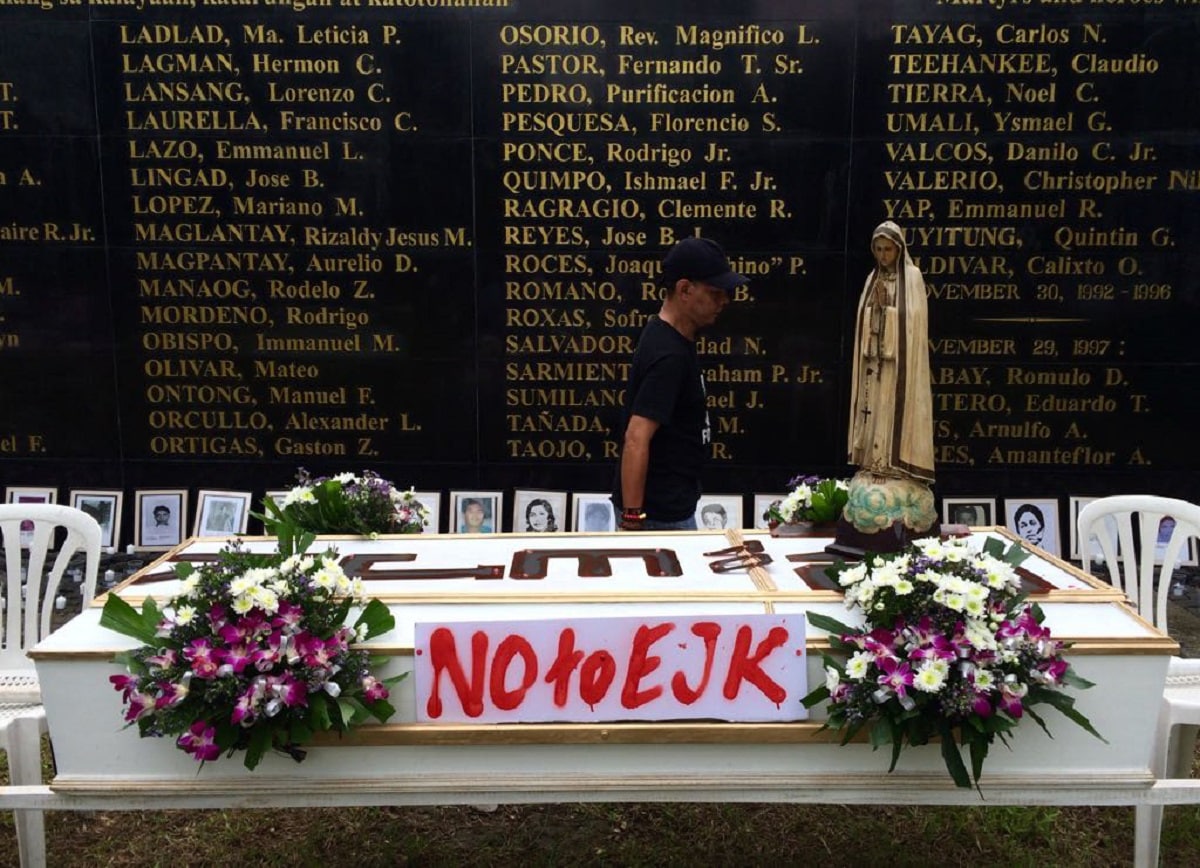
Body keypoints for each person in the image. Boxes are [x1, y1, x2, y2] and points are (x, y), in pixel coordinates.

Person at [613, 237, 748, 531]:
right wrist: (633, 519)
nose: (724, 300)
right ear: (684, 289)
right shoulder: (669, 356)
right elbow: (636, 438)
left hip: (670, 506)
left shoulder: (670, 337)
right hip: (660, 517)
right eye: (715, 292)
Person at [847, 221, 935, 483]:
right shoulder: (871, 280)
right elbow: (863, 320)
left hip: (898, 366)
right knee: (872, 409)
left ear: (899, 249)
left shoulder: (913, 278)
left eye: (888, 249)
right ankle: (873, 463)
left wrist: (887, 311)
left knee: (890, 407)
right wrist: (874, 312)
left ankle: (894, 465)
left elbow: (914, 323)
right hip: (874, 363)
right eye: (879, 249)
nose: (883, 255)